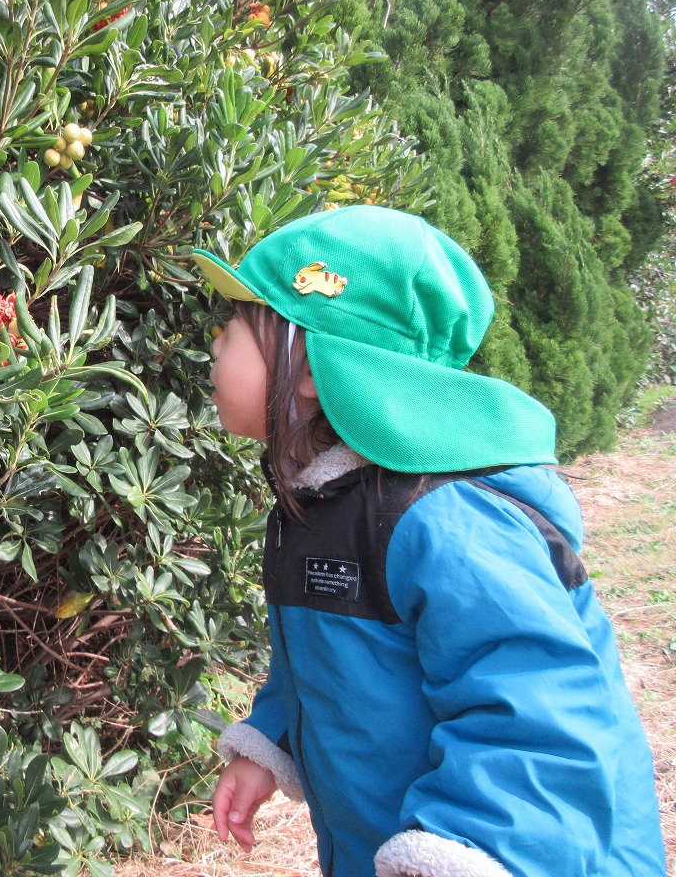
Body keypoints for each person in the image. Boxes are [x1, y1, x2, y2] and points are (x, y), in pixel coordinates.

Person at [191, 206, 666, 877]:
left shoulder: (443, 521)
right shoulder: (329, 502)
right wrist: (271, 742)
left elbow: (538, 719)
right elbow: (328, 662)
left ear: (311, 368)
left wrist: (469, 850)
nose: (215, 344)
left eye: (235, 325)